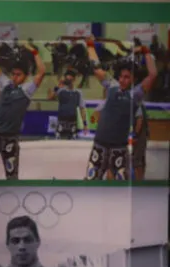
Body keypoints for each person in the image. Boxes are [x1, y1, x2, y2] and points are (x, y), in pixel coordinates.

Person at [84, 36, 157, 180]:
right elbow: (97, 69)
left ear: (133, 79)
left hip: (119, 148)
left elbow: (153, 75)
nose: (122, 80)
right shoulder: (112, 85)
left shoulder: (136, 94)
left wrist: (147, 52)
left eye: (127, 77)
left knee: (121, 186)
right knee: (90, 182)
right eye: (121, 76)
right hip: (100, 144)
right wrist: (90, 46)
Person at [0, 37, 46, 180]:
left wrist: (35, 52)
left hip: (10, 139)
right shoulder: (5, 84)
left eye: (18, 75)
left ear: (25, 76)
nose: (14, 77)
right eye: (13, 74)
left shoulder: (27, 90)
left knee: (12, 177)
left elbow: (42, 72)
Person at [47, 70, 89, 139]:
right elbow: (50, 98)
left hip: (73, 122)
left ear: (74, 80)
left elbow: (82, 109)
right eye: (67, 80)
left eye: (70, 80)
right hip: (61, 121)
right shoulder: (60, 90)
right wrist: (57, 87)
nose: (69, 82)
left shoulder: (78, 93)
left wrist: (85, 124)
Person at [132, 102, 149, 180]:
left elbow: (139, 121)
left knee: (137, 160)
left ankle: (139, 182)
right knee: (140, 160)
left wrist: (135, 135)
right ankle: (141, 181)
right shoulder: (140, 105)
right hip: (142, 136)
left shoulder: (137, 105)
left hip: (139, 137)